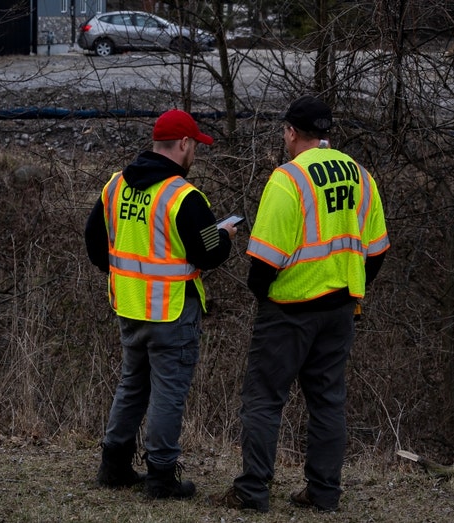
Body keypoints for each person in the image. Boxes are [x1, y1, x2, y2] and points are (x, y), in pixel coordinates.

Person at [213, 95, 389, 512]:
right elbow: (378, 251)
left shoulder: (287, 179)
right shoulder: (361, 175)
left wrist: (266, 298)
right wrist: (348, 285)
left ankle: (253, 490)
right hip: (342, 307)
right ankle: (324, 492)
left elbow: (263, 261)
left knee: (263, 399)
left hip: (290, 309)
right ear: (326, 133)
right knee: (328, 401)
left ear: (291, 132)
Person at [84, 109, 237, 499]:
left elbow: (95, 244)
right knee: (169, 392)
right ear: (184, 145)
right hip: (172, 312)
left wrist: (123, 274)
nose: (195, 155)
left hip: (130, 306)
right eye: (195, 147)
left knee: (132, 385)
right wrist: (227, 237)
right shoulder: (184, 197)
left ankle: (114, 465)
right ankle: (161, 477)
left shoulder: (115, 186)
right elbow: (208, 253)